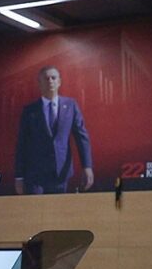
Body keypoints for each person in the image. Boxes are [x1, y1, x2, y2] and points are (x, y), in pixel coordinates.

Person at [12, 63, 92, 194]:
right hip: (35, 176)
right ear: (39, 84)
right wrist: (19, 176)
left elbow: (81, 137)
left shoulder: (71, 105)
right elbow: (22, 144)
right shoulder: (29, 111)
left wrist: (87, 166)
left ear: (59, 82)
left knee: (61, 207)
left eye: (53, 78)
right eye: (46, 78)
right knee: (37, 207)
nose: (50, 81)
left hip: (62, 174)